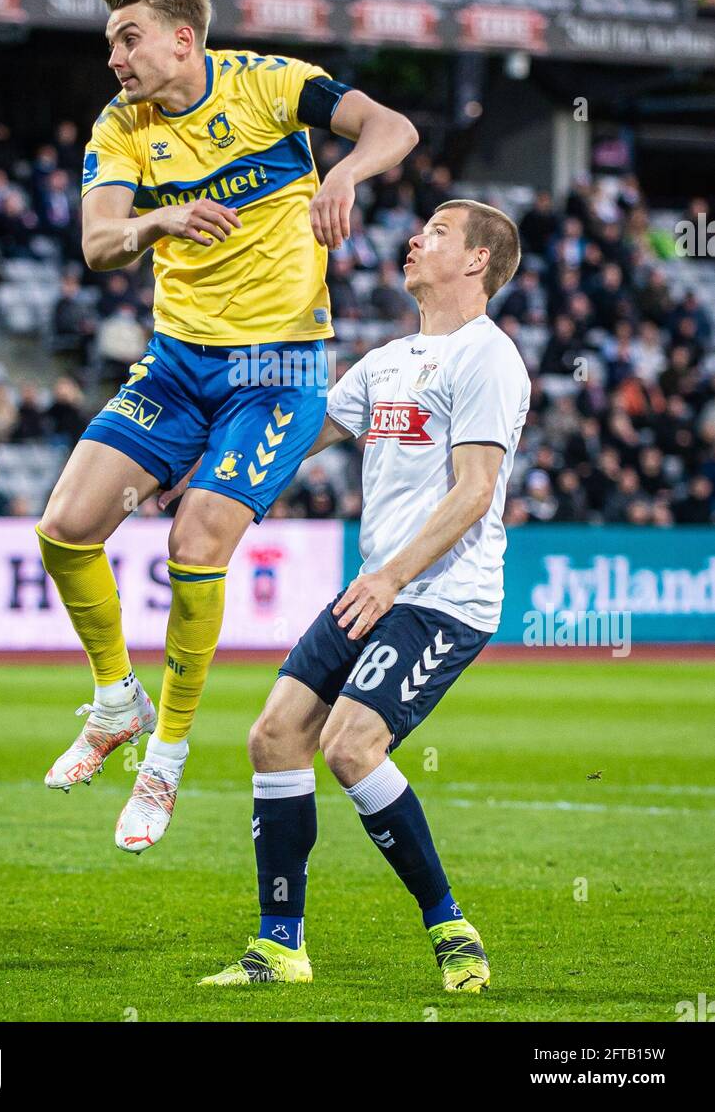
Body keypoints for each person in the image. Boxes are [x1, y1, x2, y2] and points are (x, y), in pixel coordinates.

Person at [36, 0, 418, 855]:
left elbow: (391, 127)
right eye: (109, 43)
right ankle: (114, 699)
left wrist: (344, 175)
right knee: (64, 527)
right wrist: (154, 225)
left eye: (128, 40)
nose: (116, 59)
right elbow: (97, 243)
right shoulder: (121, 125)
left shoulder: (270, 85)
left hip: (278, 371)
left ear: (183, 37)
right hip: (176, 364)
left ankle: (165, 756)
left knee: (193, 542)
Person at [196, 200, 530, 993]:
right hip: (378, 587)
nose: (415, 239)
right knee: (274, 736)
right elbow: (301, 436)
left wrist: (389, 578)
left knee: (348, 746)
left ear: (477, 261)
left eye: (438, 232)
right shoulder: (386, 359)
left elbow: (474, 492)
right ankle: (280, 947)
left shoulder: (489, 358)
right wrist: (208, 466)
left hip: (443, 597)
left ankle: (452, 932)